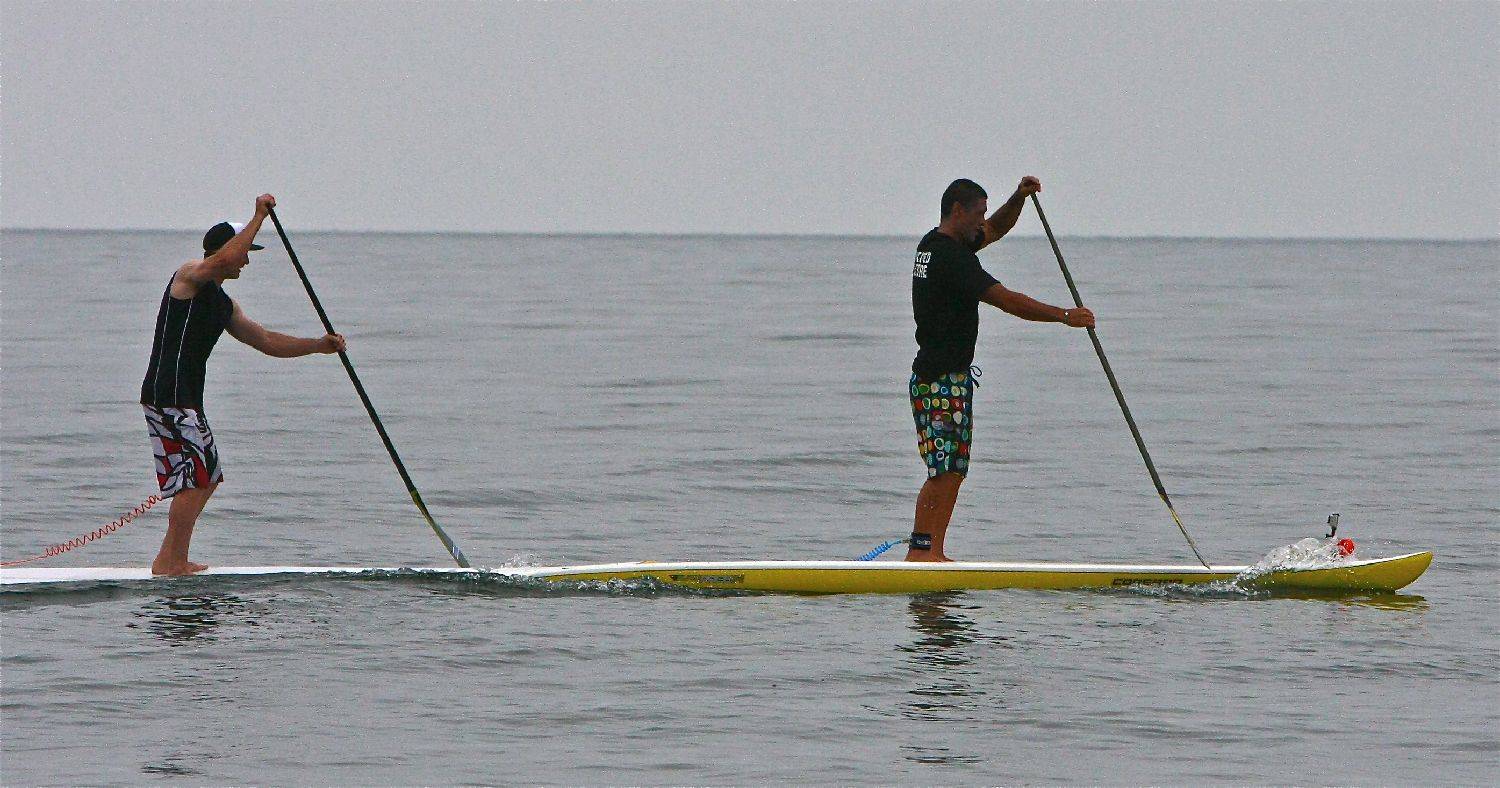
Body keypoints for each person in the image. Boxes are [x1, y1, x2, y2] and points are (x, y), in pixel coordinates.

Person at [140, 194, 346, 575]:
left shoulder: (224, 305)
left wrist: (318, 346)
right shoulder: (188, 276)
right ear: (225, 249)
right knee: (196, 477)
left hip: (186, 397)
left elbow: (265, 340)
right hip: (168, 394)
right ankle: (170, 562)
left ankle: (170, 557)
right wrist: (258, 216)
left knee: (207, 475)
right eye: (245, 251)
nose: (246, 261)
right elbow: (223, 260)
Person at [907, 176, 1095, 561]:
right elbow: (1007, 300)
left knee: (953, 469)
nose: (982, 221)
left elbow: (995, 228)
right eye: (977, 213)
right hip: (937, 381)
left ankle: (932, 553)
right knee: (943, 470)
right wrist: (1063, 316)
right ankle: (922, 554)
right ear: (957, 210)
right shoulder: (950, 258)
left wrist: (1019, 198)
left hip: (949, 378)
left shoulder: (937, 243)